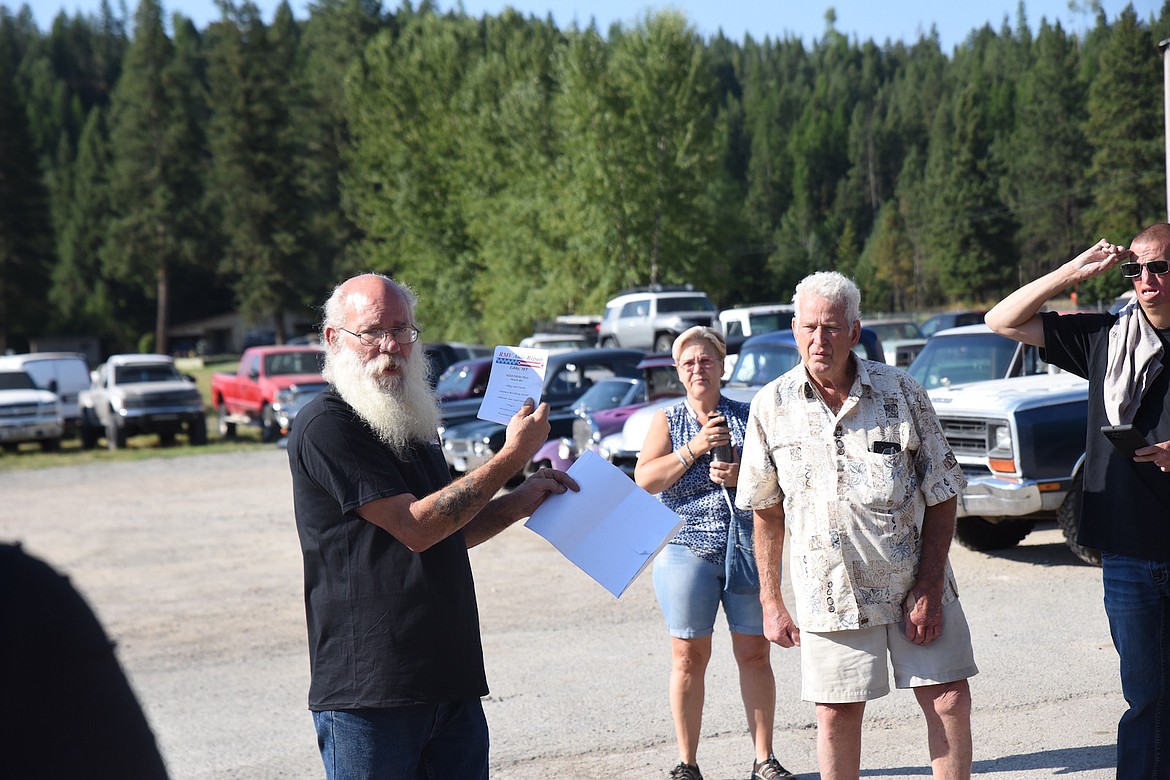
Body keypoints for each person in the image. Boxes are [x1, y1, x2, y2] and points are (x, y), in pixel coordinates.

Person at [287, 273, 578, 779]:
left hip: (450, 682)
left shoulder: (411, 422)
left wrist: (522, 499)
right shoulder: (325, 425)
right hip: (372, 695)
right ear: (334, 339)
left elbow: (447, 532)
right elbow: (415, 527)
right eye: (373, 331)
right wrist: (511, 458)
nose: (391, 345)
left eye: (402, 330)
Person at [735, 271, 978, 780]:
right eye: (808, 327)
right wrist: (771, 599)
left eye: (831, 327)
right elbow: (766, 510)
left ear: (854, 329)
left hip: (916, 586)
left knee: (949, 698)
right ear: (793, 329)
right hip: (829, 594)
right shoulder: (770, 407)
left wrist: (931, 583)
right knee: (837, 714)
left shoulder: (902, 392)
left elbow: (943, 492)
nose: (819, 339)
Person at [985, 225, 1170, 780]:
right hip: (1128, 551)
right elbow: (1003, 320)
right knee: (1145, 703)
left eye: (1158, 267)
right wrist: (1071, 273)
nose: (1146, 281)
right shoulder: (1106, 338)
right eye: (1134, 270)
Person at [634, 325, 797, 780]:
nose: (698, 368)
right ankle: (687, 763)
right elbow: (645, 480)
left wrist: (741, 474)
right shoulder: (667, 421)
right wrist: (693, 449)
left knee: (755, 655)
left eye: (706, 360)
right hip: (687, 550)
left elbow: (781, 477)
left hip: (747, 547)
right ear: (678, 373)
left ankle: (764, 759)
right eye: (689, 363)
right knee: (688, 657)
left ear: (723, 366)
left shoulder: (750, 415)